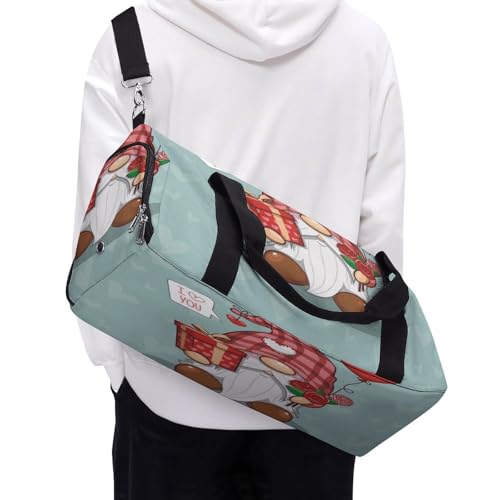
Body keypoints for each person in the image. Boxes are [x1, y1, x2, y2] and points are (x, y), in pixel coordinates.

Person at [72, 1, 405, 498]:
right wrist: (365, 368)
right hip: (315, 396)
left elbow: (99, 222)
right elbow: (381, 232)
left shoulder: (131, 37)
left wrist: (118, 368)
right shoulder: (364, 43)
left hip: (167, 380)